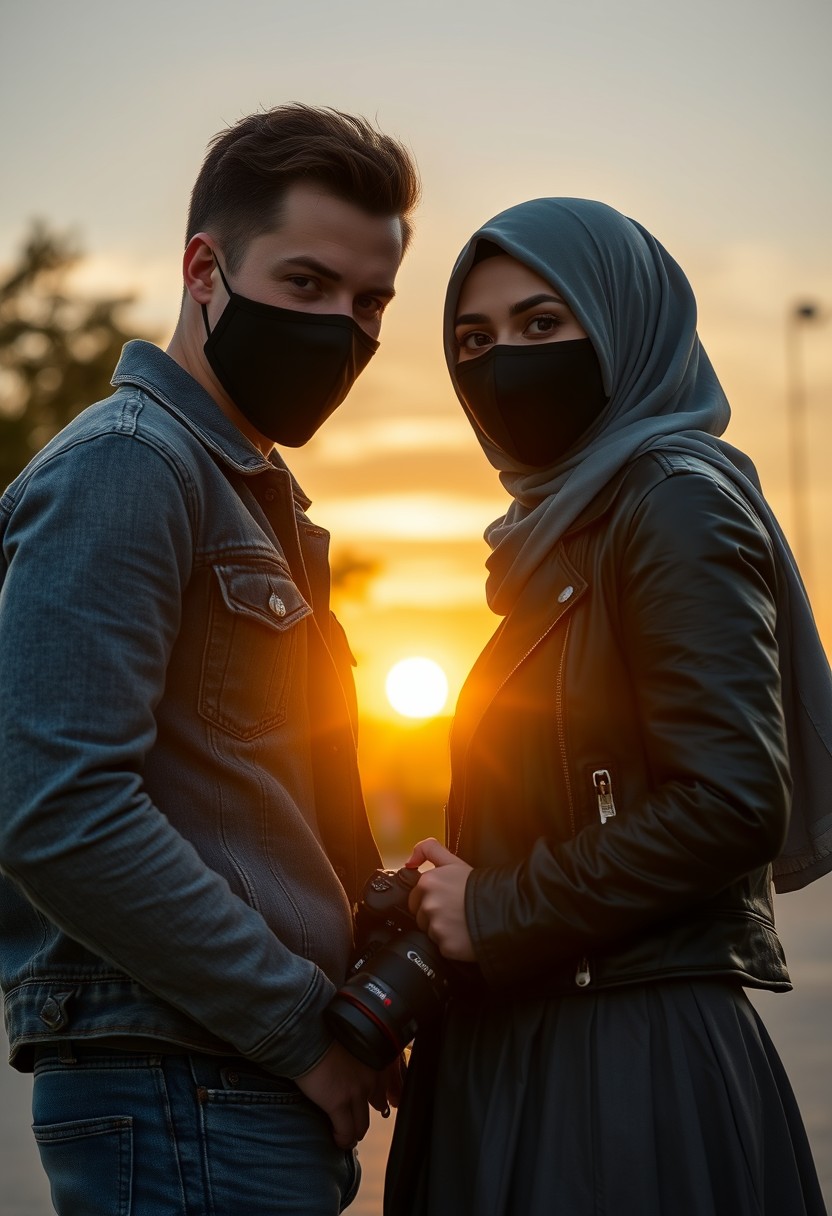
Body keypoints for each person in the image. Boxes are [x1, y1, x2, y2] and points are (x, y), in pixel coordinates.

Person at [0, 103, 419, 1215]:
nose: (343, 328)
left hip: (226, 1082)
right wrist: (300, 1033)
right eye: (305, 285)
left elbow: (233, 798)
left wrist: (367, 902)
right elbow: (56, 806)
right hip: (183, 1082)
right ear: (204, 269)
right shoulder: (127, 470)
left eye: (369, 301)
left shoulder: (252, 500)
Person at [385, 197, 831, 1216]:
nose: (504, 361)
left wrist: (494, 906)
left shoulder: (669, 498)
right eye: (474, 340)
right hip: (539, 1041)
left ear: (626, 324)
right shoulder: (563, 539)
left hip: (622, 1068)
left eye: (543, 324)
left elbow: (729, 801)